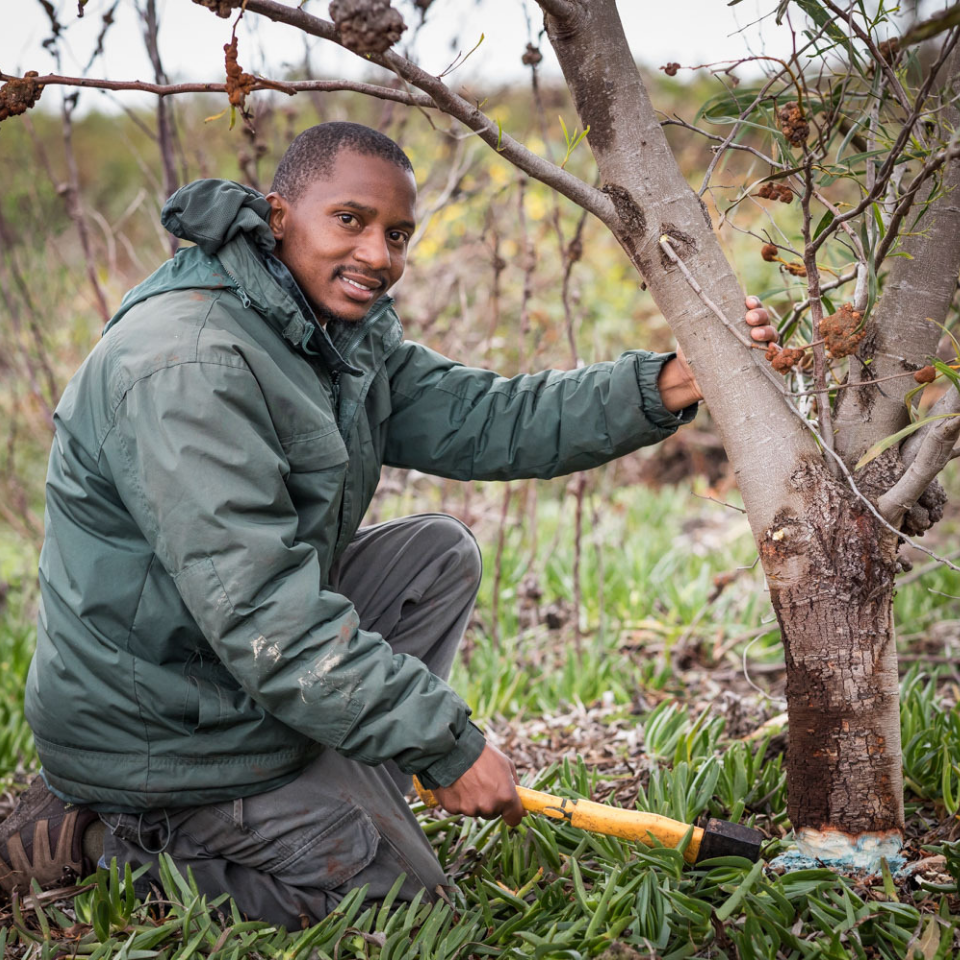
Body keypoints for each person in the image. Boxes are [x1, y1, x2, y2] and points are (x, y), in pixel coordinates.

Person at [0, 122, 775, 926]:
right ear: (277, 217)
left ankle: (338, 766)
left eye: (397, 233)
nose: (378, 254)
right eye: (351, 221)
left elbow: (488, 418)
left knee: (436, 555)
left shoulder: (326, 335)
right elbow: (264, 614)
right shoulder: (189, 365)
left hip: (228, 670)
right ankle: (109, 838)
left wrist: (669, 384)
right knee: (411, 906)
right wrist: (443, 743)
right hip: (162, 723)